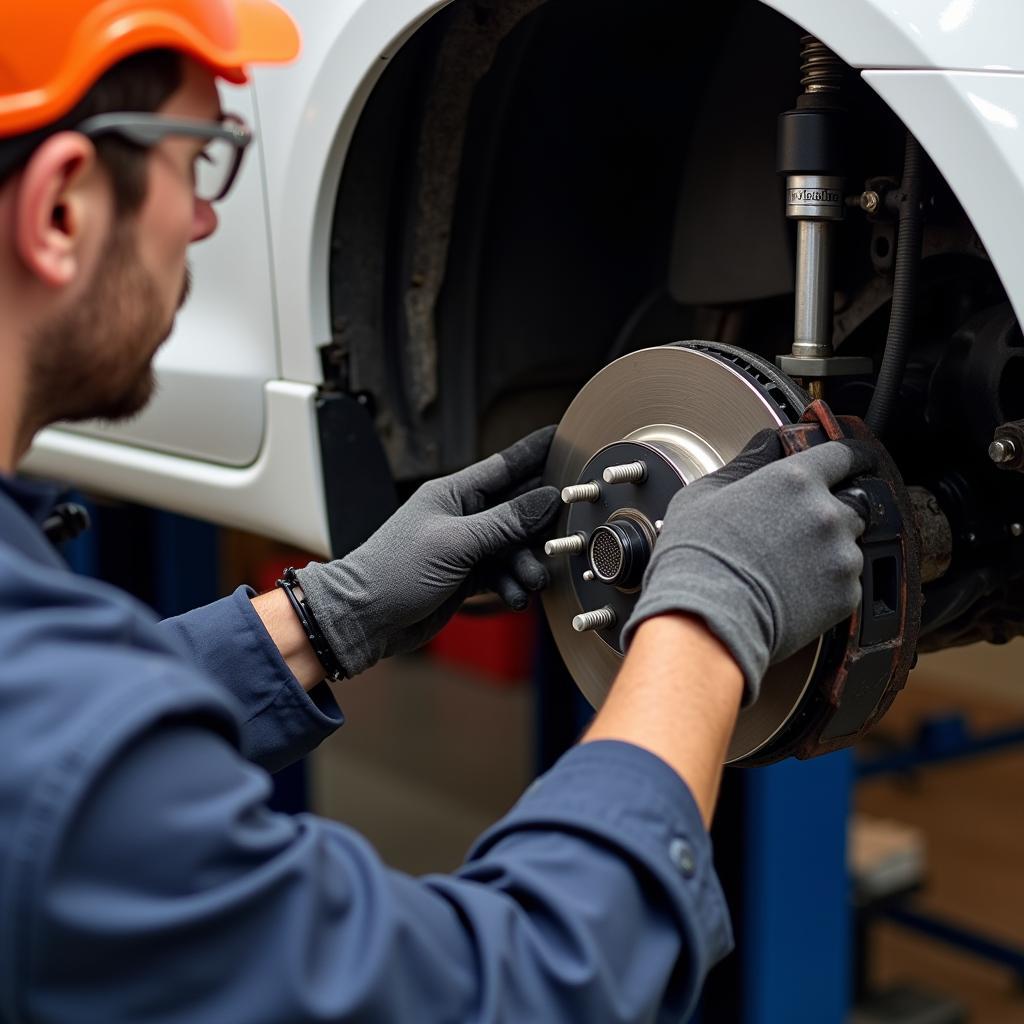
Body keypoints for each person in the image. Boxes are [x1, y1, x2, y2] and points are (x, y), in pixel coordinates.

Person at [0, 3, 873, 1021]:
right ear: (62, 207)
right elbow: (522, 986)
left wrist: (321, 617)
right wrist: (710, 619)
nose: (203, 219)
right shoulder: (56, 739)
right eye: (200, 161)